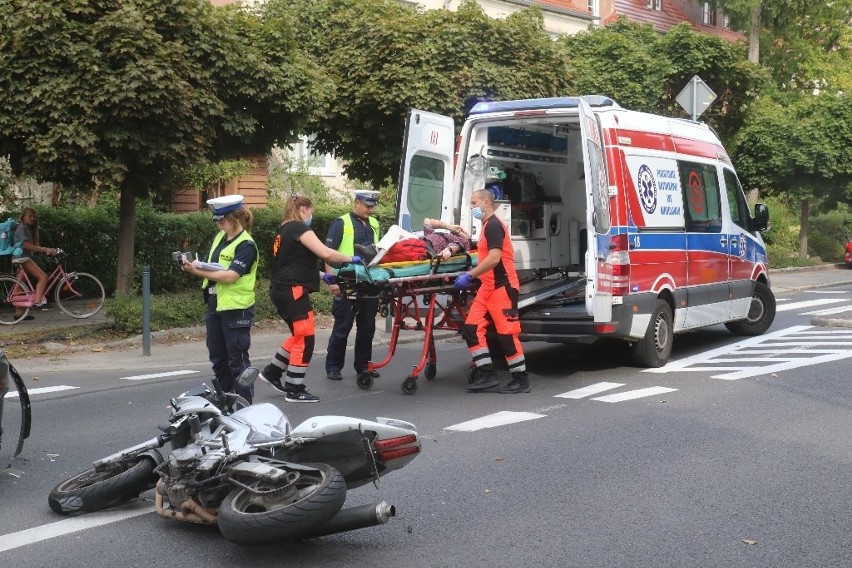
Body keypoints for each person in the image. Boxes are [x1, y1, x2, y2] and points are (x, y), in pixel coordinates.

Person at [260, 195, 361, 402]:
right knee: (306, 338)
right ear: (304, 209)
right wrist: (351, 259)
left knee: (298, 334)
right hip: (293, 291)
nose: (311, 216)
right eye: (311, 211)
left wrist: (323, 276)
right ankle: (295, 389)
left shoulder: (283, 231)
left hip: (281, 289)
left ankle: (272, 372)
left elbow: (291, 265)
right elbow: (326, 253)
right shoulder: (299, 228)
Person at [452, 189, 530, 394]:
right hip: (488, 288)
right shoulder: (487, 226)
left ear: (486, 203)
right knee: (471, 329)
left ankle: (521, 380)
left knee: (507, 335)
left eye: (474, 202)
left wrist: (470, 275)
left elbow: (495, 258)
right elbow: (486, 253)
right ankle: (487, 375)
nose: (471, 207)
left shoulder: (494, 225)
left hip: (502, 287)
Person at [181, 195, 258, 403]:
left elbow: (231, 276)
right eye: (216, 220)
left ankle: (245, 408)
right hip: (216, 303)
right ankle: (226, 405)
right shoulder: (220, 237)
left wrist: (197, 272)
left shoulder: (246, 245)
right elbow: (213, 264)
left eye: (222, 220)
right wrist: (197, 264)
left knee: (237, 362)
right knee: (218, 358)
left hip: (237, 308)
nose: (219, 224)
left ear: (236, 218)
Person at [323, 190, 381, 382]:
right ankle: (333, 366)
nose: (370, 210)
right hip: (346, 281)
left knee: (367, 327)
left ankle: (364, 366)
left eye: (373, 206)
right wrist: (331, 281)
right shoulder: (341, 223)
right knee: (342, 326)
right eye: (367, 206)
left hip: (368, 281)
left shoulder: (374, 223)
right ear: (356, 202)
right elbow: (328, 253)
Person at [12, 207, 59, 321]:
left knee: (20, 283)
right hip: (22, 258)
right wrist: (46, 249)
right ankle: (38, 302)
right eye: (30, 216)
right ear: (23, 216)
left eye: (34, 216)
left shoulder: (25, 228)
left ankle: (19, 314)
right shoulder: (22, 227)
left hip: (20, 257)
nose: (33, 218)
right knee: (43, 277)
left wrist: (44, 251)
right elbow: (27, 246)